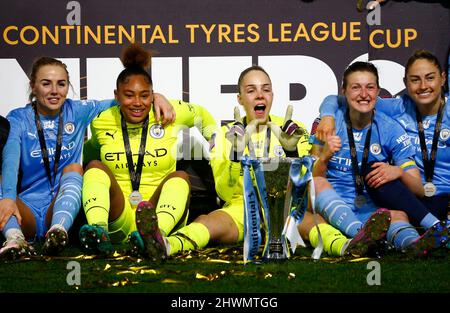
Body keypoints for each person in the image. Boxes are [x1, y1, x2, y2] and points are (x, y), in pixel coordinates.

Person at [126, 65, 315, 259]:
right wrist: (236, 154)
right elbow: (224, 192)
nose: (260, 95)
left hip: (283, 211)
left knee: (317, 225)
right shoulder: (226, 135)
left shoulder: (292, 129)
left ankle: (345, 246)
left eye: (265, 89)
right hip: (242, 210)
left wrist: (290, 151)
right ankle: (164, 245)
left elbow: (303, 192)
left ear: (272, 95)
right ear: (240, 99)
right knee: (207, 222)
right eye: (251, 90)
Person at [0, 55, 174, 259]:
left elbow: (126, 100)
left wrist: (157, 96)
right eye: (46, 83)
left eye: (61, 84)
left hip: (62, 206)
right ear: (33, 86)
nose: (55, 91)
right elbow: (10, 160)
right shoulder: (18, 117)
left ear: (68, 86)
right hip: (26, 209)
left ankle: (58, 232)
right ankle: (15, 239)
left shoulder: (79, 111)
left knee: (74, 168)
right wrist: (9, 199)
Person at [79, 43, 218, 259]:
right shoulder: (101, 122)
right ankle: (99, 232)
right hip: (120, 216)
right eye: (129, 95)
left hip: (157, 212)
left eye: (144, 95)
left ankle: (157, 237)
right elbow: (88, 155)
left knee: (180, 176)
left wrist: (215, 142)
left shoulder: (168, 112)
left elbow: (202, 114)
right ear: (117, 95)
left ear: (153, 95)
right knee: (95, 167)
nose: (137, 103)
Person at [317, 55, 450, 256]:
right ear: (406, 83)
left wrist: (398, 172)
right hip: (408, 201)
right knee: (365, 175)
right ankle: (365, 235)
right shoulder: (333, 124)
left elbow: (418, 187)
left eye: (429, 78)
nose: (423, 86)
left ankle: (417, 242)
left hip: (439, 198)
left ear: (443, 78)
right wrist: (326, 121)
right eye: (415, 80)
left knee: (394, 210)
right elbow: (333, 99)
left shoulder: (390, 128)